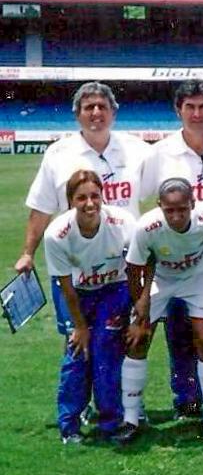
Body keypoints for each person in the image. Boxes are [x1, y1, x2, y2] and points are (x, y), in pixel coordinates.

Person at [18, 82, 152, 338]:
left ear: (114, 112)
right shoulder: (58, 154)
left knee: (117, 342)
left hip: (121, 268)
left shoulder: (138, 149)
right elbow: (41, 208)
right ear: (77, 113)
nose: (96, 112)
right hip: (76, 265)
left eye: (102, 106)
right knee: (76, 341)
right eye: (88, 107)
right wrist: (28, 254)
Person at [142, 80, 203, 419]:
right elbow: (146, 201)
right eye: (190, 107)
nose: (197, 114)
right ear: (178, 110)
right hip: (177, 254)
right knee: (179, 328)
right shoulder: (160, 153)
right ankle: (187, 397)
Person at [122, 178, 203, 442]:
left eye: (182, 209)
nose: (177, 216)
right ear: (160, 206)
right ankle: (131, 417)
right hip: (161, 280)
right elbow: (133, 269)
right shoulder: (147, 226)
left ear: (193, 204)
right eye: (170, 210)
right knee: (139, 338)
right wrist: (139, 305)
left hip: (197, 278)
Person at [43, 170, 135, 444]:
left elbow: (137, 266)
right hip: (76, 293)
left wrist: (138, 305)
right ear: (71, 201)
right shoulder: (56, 234)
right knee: (77, 354)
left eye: (95, 196)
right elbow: (66, 286)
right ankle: (69, 425)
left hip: (113, 289)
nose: (90, 203)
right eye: (81, 198)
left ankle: (111, 422)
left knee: (105, 352)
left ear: (103, 197)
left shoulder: (122, 222)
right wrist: (80, 326)